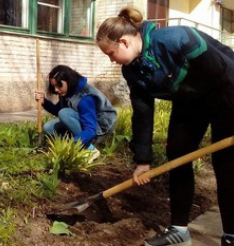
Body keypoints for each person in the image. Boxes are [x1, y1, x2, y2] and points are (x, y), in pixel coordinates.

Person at [96, 6, 234, 246]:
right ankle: (180, 230)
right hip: (189, 100)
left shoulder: (178, 39)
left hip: (226, 91)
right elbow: (143, 114)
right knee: (177, 155)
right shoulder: (133, 71)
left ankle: (232, 234)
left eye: (110, 53)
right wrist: (142, 161)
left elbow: (225, 72)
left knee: (226, 162)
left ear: (124, 42)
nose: (112, 60)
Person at [34, 65, 117, 162]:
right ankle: (80, 142)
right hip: (85, 121)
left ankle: (90, 149)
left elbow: (90, 129)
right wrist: (44, 102)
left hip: (101, 124)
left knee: (65, 113)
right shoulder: (67, 91)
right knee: (48, 127)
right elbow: (58, 110)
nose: (56, 89)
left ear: (68, 81)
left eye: (59, 85)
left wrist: (71, 146)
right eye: (54, 86)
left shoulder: (85, 98)